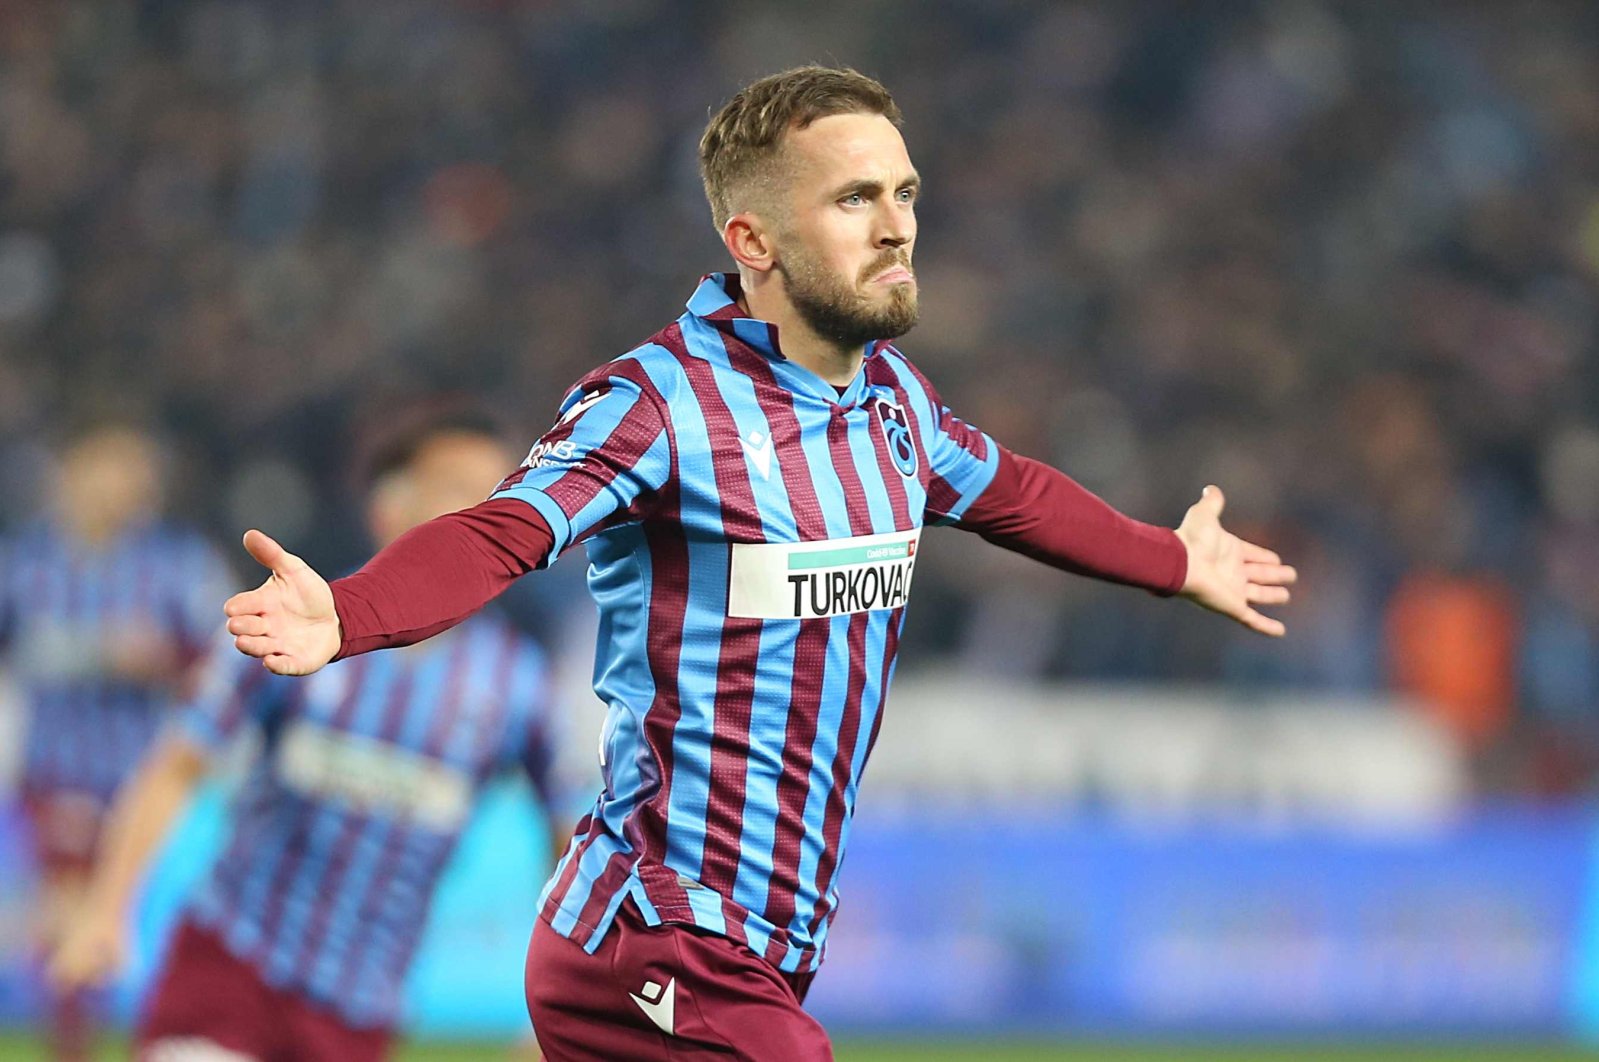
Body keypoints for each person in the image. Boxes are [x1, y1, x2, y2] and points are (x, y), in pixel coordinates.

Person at [218, 67, 1298, 1060]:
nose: (897, 228)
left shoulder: (894, 407)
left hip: (771, 947)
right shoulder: (658, 404)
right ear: (755, 241)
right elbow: (503, 529)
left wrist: (1171, 559)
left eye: (905, 193)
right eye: (854, 201)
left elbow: (1013, 492)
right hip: (655, 930)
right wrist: (349, 614)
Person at [50, 407, 569, 1062]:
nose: (480, 506)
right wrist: (108, 906)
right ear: (390, 505)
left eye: (496, 490)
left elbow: (569, 834)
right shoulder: (291, 622)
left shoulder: (516, 685)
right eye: (454, 483)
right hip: (232, 968)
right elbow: (179, 762)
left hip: (360, 1017)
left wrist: (557, 996)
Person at [0, 423, 228, 1062]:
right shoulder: (27, 562)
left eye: (132, 474)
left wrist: (158, 658)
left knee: (117, 922)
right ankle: (73, 1047)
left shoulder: (176, 564)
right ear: (70, 478)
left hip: (141, 776)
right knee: (71, 916)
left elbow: (219, 655)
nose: (120, 488)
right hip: (56, 772)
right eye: (105, 471)